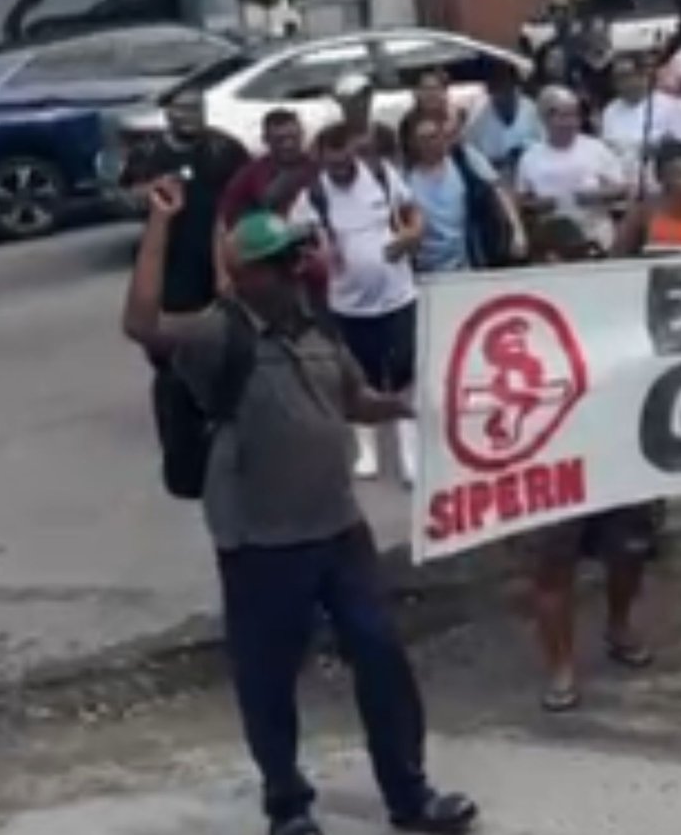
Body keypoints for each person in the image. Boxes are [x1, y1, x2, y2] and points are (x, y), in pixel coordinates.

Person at [121, 193, 477, 835]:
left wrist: (408, 403)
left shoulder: (317, 328)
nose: (295, 270)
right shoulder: (217, 334)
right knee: (269, 677)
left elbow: (353, 400)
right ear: (245, 275)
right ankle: (287, 805)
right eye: (279, 262)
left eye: (295, 257)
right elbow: (141, 323)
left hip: (338, 528)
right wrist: (161, 222)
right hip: (261, 541)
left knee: (382, 658)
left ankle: (409, 794)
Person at [522, 215, 656, 712]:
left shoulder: (609, 306)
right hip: (552, 459)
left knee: (629, 552)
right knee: (553, 566)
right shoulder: (519, 315)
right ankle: (560, 665)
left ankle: (619, 625)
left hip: (614, 451)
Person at [118, 91, 250, 499]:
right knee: (169, 351)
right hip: (169, 263)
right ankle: (182, 424)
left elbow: (243, 198)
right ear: (168, 115)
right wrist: (150, 192)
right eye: (182, 110)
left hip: (212, 260)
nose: (190, 116)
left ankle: (221, 412)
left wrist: (227, 263)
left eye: (196, 109)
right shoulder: (150, 153)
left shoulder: (224, 149)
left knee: (221, 337)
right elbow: (124, 195)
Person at [290, 125, 423, 482]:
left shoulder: (382, 176)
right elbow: (296, 241)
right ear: (321, 160)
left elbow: (412, 211)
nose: (340, 170)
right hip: (349, 304)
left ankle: (408, 451)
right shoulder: (314, 195)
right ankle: (367, 448)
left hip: (398, 295)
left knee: (403, 374)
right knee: (360, 376)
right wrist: (317, 255)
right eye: (332, 164)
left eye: (345, 161)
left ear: (354, 154)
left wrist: (411, 234)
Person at [401, 111, 526, 274]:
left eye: (434, 136)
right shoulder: (405, 178)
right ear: (414, 144)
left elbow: (498, 191)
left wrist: (517, 232)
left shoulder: (465, 160)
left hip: (469, 262)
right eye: (423, 139)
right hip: (426, 268)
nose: (430, 144)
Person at [515, 85, 630, 249]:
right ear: (545, 119)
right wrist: (540, 204)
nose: (570, 123)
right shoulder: (530, 157)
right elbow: (522, 201)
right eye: (562, 117)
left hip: (596, 235)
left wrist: (596, 195)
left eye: (574, 116)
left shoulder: (596, 148)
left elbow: (622, 189)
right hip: (552, 238)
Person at [598, 54, 679, 194]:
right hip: (621, 184)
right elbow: (607, 148)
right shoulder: (610, 110)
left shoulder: (669, 106)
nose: (623, 83)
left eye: (627, 76)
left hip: (656, 183)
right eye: (617, 78)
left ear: (642, 75)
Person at [461, 60, 542, 175]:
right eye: (495, 85)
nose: (501, 92)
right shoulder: (477, 115)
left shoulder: (531, 109)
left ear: (514, 84)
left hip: (529, 173)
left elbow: (544, 144)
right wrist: (492, 170)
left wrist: (523, 151)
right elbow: (469, 152)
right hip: (493, 177)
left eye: (504, 83)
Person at [333, 71, 398, 162]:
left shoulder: (385, 134)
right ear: (342, 102)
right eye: (355, 99)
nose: (363, 102)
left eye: (367, 95)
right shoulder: (329, 138)